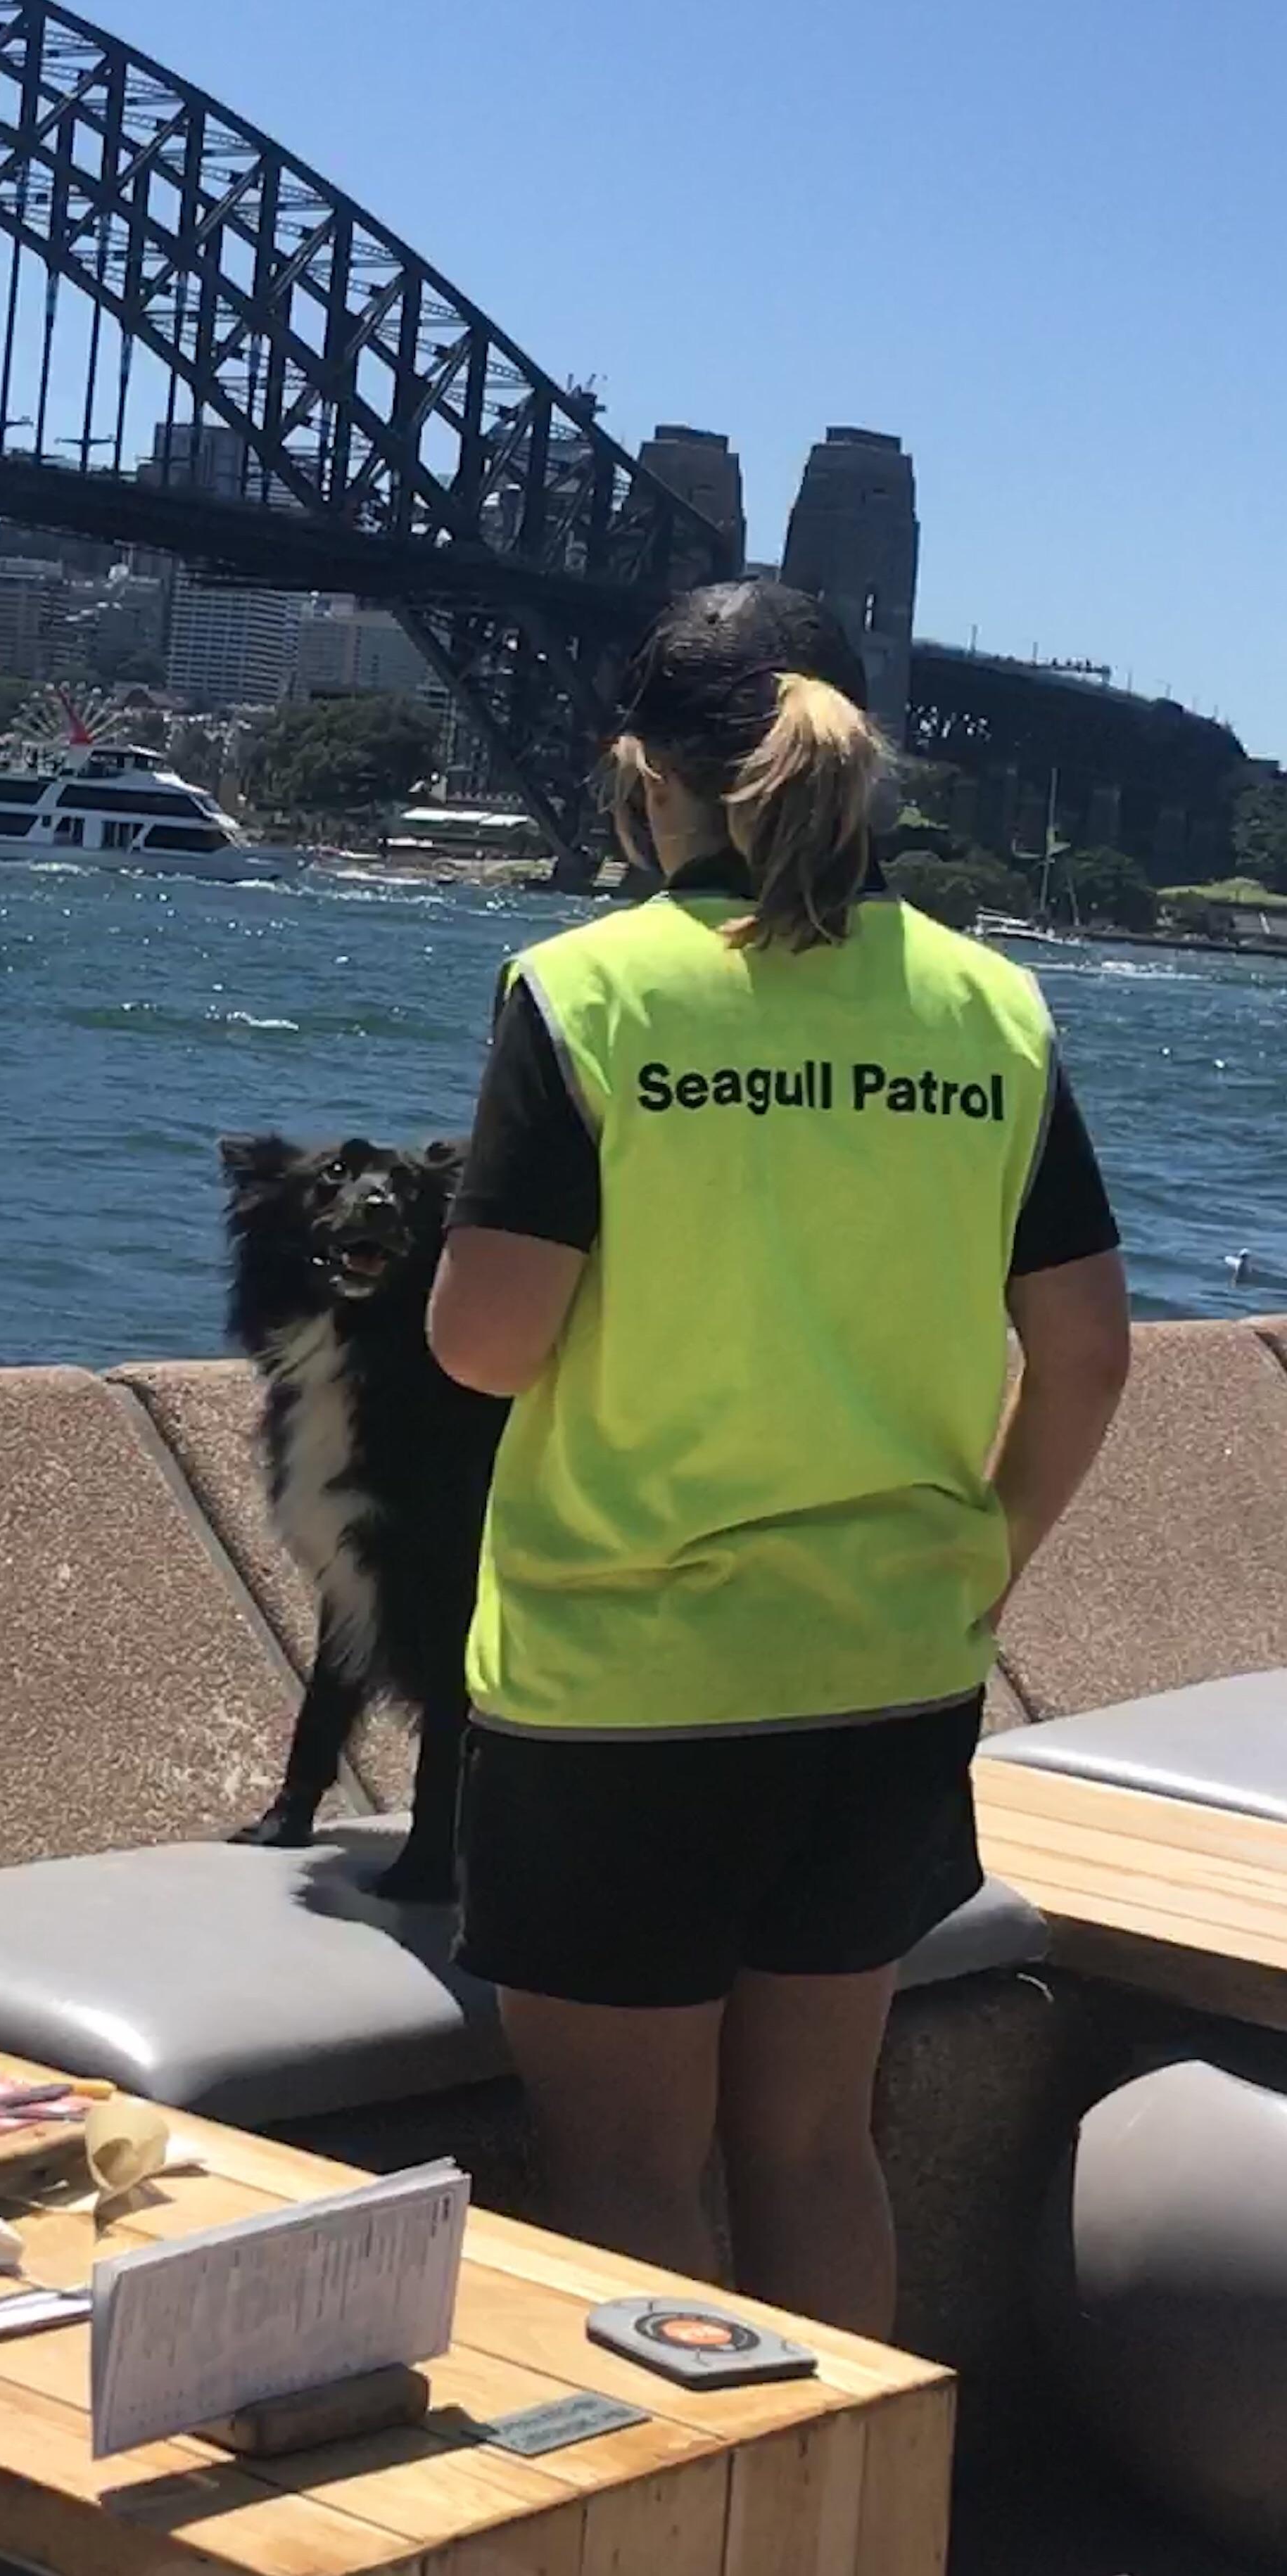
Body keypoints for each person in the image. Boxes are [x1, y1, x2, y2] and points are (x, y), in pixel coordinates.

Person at [427, 580, 1129, 2340]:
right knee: (820, 2154)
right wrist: (982, 1561)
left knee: (626, 2177)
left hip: (625, 1689)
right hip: (889, 1673)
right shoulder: (989, 1009)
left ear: (637, 779)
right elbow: (1086, 1353)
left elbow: (487, 1342)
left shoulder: (594, 993)